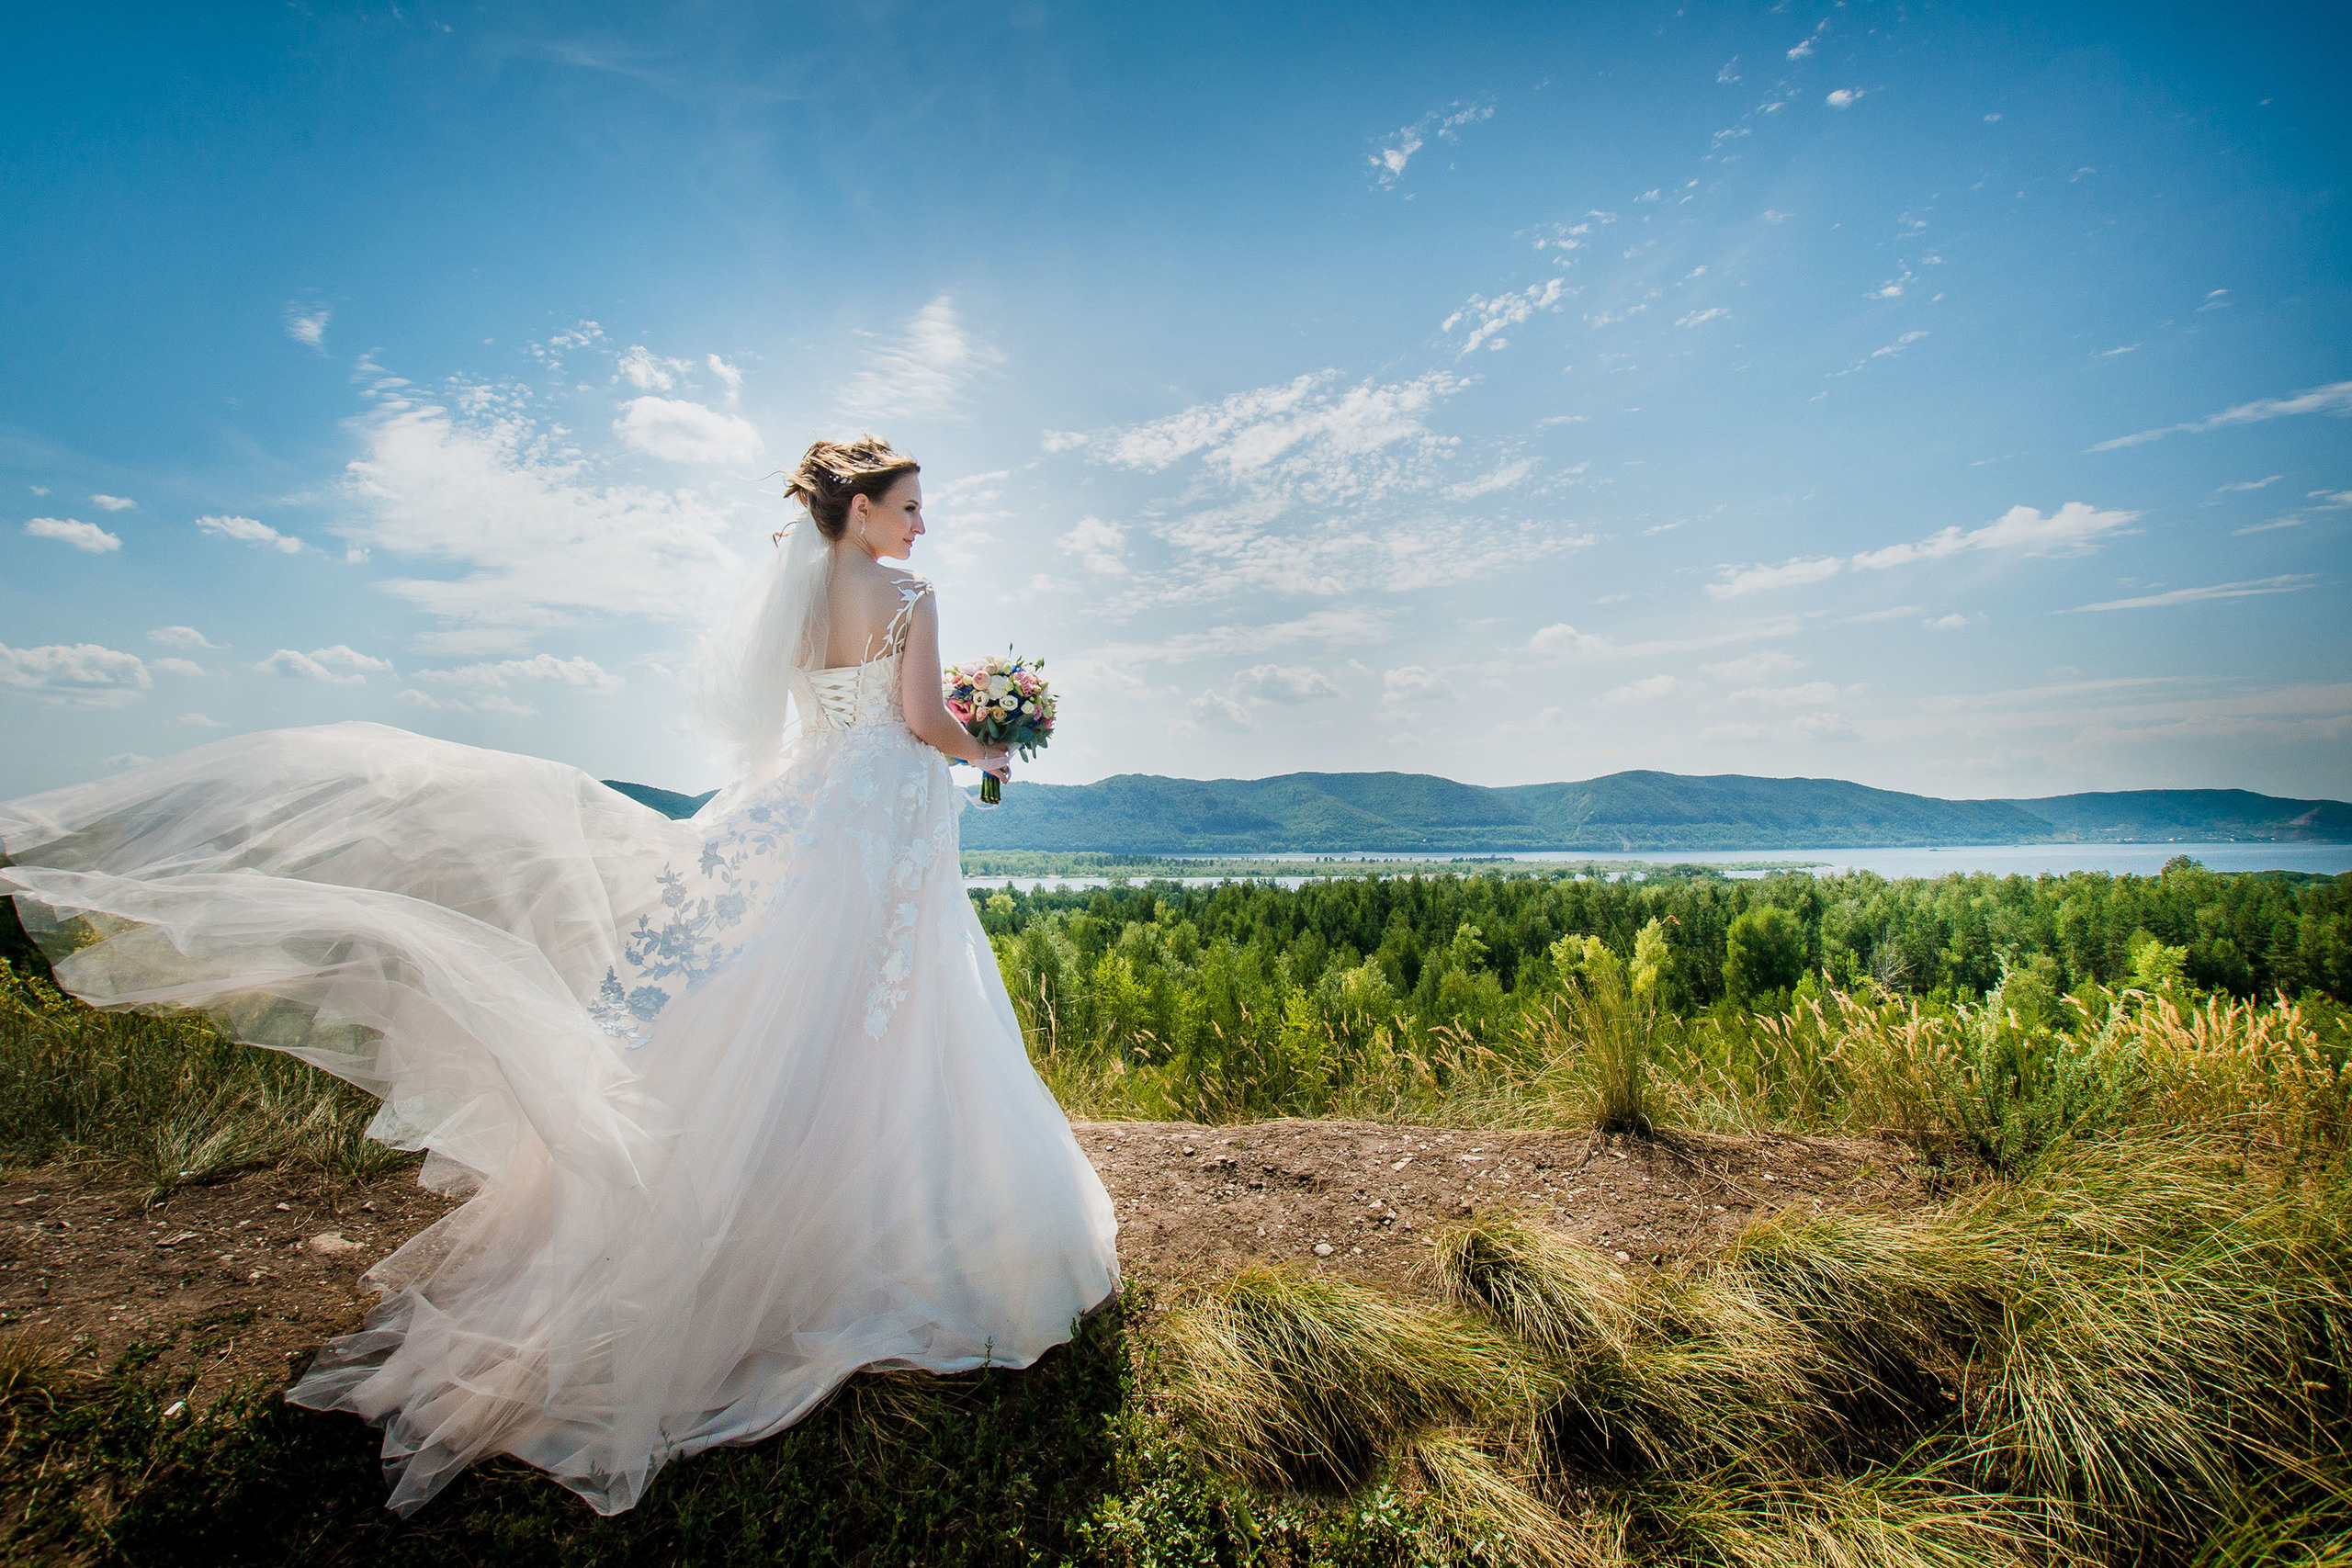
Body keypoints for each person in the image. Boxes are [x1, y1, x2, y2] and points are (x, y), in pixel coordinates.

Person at [0, 436, 1119, 1517]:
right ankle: (886, 1237)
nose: (924, 522)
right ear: (862, 510)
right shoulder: (909, 600)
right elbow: (919, 719)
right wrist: (988, 747)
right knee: (890, 1023)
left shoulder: (798, 602)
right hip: (880, 837)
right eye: (911, 503)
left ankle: (767, 1226)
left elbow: (809, 731)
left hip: (813, 822)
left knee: (774, 1022)